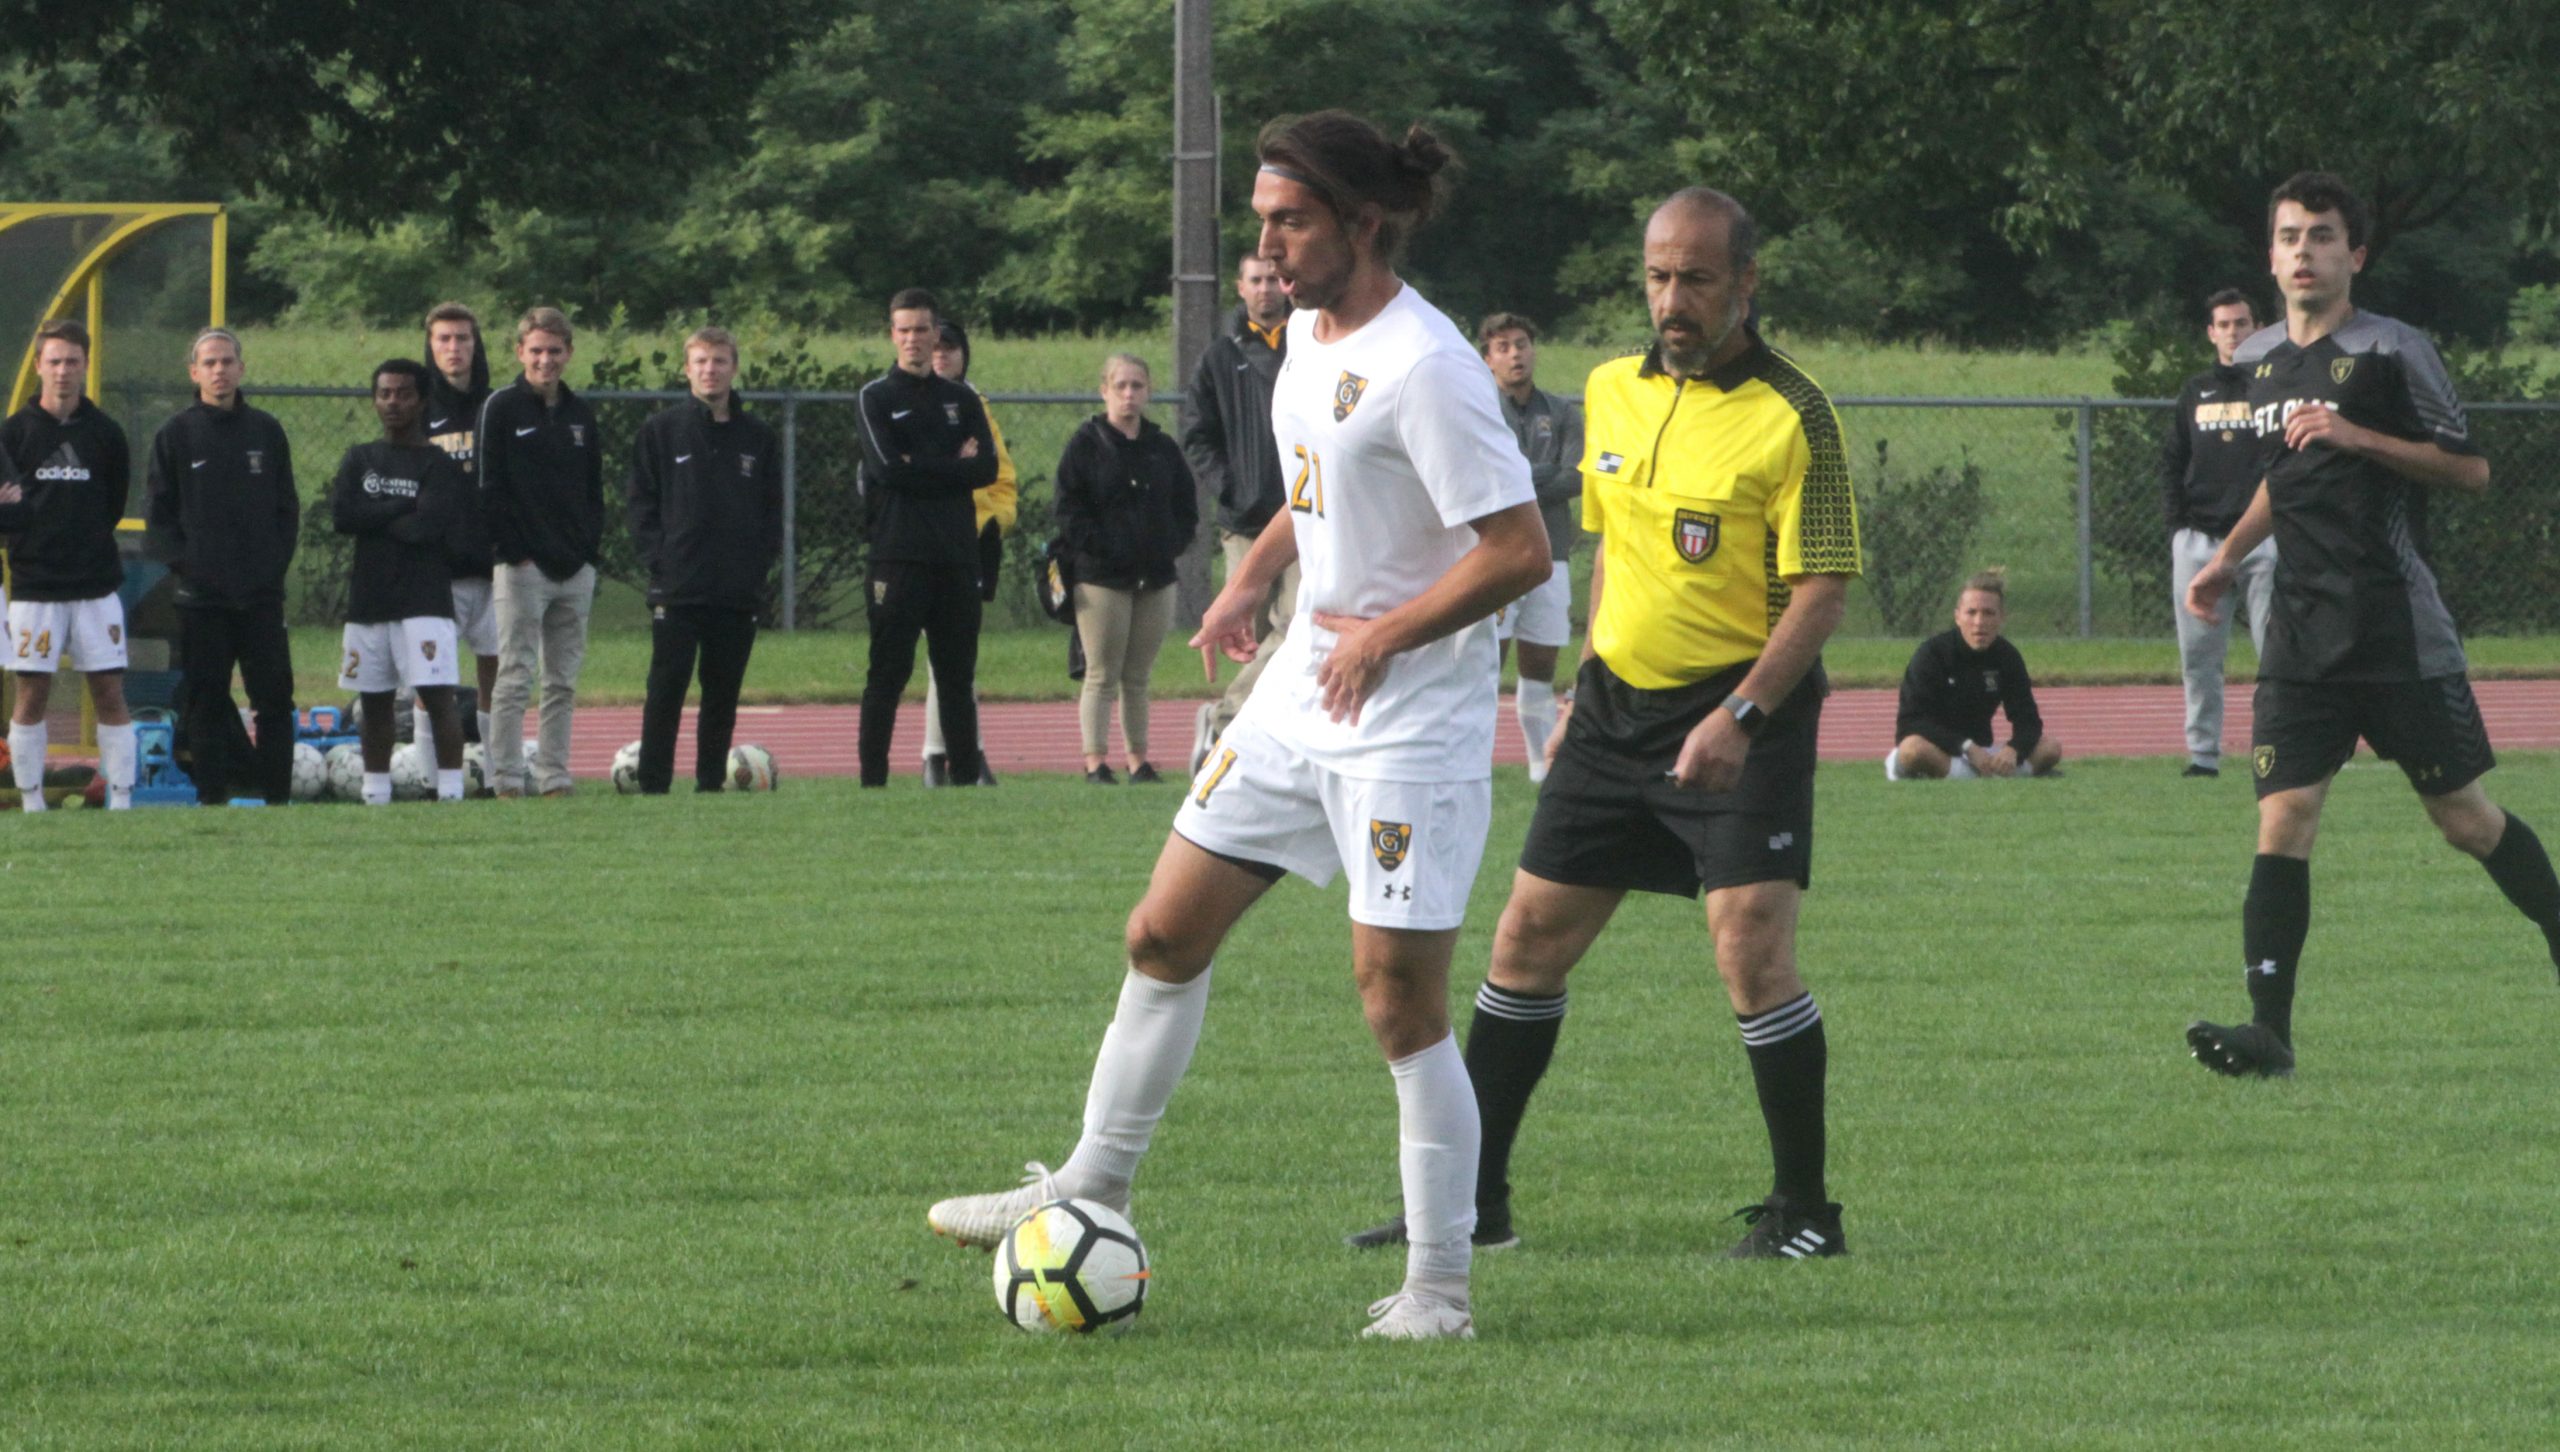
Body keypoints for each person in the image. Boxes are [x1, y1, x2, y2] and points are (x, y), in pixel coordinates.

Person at [928, 111, 1549, 1340]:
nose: (1264, 246)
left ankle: (1438, 1287)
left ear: (1362, 225)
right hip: (1298, 697)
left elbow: (1518, 551)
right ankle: (1085, 1187)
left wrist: (1380, 636)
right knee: (1161, 931)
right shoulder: (1305, 335)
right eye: (1259, 220)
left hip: (1403, 725)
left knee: (1396, 1001)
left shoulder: (1429, 366)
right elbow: (1318, 489)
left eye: (1289, 221)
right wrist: (1253, 573)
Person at [1349, 186, 1864, 1260]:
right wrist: (1587, 669)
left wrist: (1739, 714)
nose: (1672, 300)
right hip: (1614, 710)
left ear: (1746, 283)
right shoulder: (1609, 392)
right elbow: (1613, 555)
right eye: (1657, 277)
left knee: (1749, 951)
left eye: (1696, 279)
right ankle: (1474, 1207)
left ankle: (1805, 1214)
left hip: (1740, 712)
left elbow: (1818, 592)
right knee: (1525, 942)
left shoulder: (1795, 414)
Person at [2184, 172, 2560, 1079]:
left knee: (2466, 822)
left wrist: (2360, 437)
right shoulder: (2261, 359)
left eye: (2320, 236)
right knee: (2285, 819)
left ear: (2355, 254)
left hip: (2395, 631)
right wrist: (2228, 555)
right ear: (2270, 256)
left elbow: (2468, 471)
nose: (2302, 251)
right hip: (2301, 636)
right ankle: (2269, 1033)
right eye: (2287, 237)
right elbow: (2288, 475)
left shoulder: (2395, 350)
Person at [144, 327, 299, 806]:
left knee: (273, 700)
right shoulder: (176, 435)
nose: (219, 370)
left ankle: (277, 797)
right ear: (194, 372)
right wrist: (190, 569)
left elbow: (286, 510)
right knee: (206, 700)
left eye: (227, 361)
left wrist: (270, 567)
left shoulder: (266, 432)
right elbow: (160, 520)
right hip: (202, 599)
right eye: (209, 363)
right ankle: (212, 797)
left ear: (241, 369)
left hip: (259, 597)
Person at [627, 326, 783, 794]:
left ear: (734, 367)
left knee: (722, 696)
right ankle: (653, 784)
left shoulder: (758, 437)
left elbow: (772, 513)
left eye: (718, 361)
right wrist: (661, 560)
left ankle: (709, 782)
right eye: (700, 362)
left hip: (736, 591)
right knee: (665, 691)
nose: (709, 370)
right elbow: (640, 505)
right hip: (677, 588)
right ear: (686, 368)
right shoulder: (661, 431)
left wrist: (755, 568)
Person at [855, 287, 998, 788]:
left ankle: (962, 783)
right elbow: (889, 470)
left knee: (957, 678)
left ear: (936, 334)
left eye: (922, 329)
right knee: (887, 675)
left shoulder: (960, 399)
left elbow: (986, 468)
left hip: (957, 557)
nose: (914, 339)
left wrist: (924, 465)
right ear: (892, 335)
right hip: (898, 557)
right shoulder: (876, 397)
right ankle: (873, 781)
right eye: (904, 330)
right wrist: (949, 466)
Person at [2, 320, 138, 811]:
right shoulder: (12, 434)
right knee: (31, 694)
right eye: (54, 361)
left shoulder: (106, 434)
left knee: (108, 690)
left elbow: (113, 505)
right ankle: (33, 801)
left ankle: (121, 801)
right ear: (39, 365)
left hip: (96, 587)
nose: (63, 371)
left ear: (85, 367)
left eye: (72, 362)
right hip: (35, 587)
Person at [1054, 353, 1198, 784]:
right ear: (1104, 391)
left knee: (1138, 676)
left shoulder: (1162, 448)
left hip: (1154, 576)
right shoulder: (1085, 445)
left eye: (1137, 386)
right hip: (1101, 578)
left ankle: (1139, 759)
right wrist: (1103, 549)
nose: (1129, 394)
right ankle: (1096, 760)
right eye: (1120, 386)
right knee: (1101, 672)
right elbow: (1068, 510)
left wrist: (1168, 545)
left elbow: (1186, 509)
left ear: (1148, 392)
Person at [478, 306, 603, 798]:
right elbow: (489, 489)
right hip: (523, 567)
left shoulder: (580, 414)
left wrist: (589, 552)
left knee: (563, 681)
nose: (545, 360)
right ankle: (506, 777)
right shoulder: (501, 407)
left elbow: (594, 491)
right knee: (514, 674)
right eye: (536, 351)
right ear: (519, 352)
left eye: (554, 351)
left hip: (575, 569)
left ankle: (554, 775)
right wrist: (514, 552)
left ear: (569, 353)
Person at [331, 360, 466, 804]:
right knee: (373, 700)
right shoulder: (359, 457)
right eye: (385, 393)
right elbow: (343, 516)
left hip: (424, 601)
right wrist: (397, 508)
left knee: (438, 697)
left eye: (403, 394)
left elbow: (424, 527)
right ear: (375, 399)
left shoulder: (437, 462)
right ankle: (375, 793)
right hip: (370, 600)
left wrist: (376, 513)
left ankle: (450, 791)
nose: (393, 402)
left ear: (421, 400)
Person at [1180, 252, 1293, 772]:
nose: (1266, 289)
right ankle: (1239, 727)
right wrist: (1230, 486)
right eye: (1256, 280)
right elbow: (1196, 436)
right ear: (1240, 288)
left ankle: (1227, 723)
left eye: (1273, 279)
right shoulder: (1221, 357)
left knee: (1295, 626)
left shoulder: (1311, 345)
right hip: (1247, 521)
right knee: (1248, 635)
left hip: (1302, 518)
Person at [2163, 286, 2277, 777]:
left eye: (2242, 322)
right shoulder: (2195, 392)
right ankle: (2203, 755)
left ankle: (2278, 749)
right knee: (2199, 657)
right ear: (2211, 332)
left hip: (2263, 541)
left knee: (2276, 652)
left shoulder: (2276, 385)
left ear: (2258, 328)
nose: (2233, 332)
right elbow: (2172, 462)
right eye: (2224, 324)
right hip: (2200, 541)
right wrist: (2176, 531)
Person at [1478, 311, 1583, 782]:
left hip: (1552, 553)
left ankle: (1542, 767)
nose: (1515, 354)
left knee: (1540, 664)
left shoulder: (1561, 412)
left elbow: (1574, 476)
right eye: (1503, 347)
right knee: (1486, 662)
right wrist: (1535, 476)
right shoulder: (1477, 409)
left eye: (1522, 344)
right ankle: (1471, 761)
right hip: (1496, 555)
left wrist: (1519, 479)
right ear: (1488, 358)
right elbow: (1479, 479)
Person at [920, 319, 1017, 787]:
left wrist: (992, 521)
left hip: (971, 542)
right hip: (919, 541)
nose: (941, 355)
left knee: (959, 654)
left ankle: (955, 753)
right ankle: (942, 753)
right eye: (934, 347)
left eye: (950, 348)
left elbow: (998, 475)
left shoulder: (975, 405)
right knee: (934, 657)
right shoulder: (903, 400)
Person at [1886, 569, 2063, 780]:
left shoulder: (2007, 656)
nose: (1979, 622)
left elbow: (2028, 720)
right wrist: (1966, 746)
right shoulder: (1932, 654)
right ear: (1958, 616)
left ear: (2001, 618)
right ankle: (1999, 777)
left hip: (1983, 754)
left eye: (1988, 613)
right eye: (1972, 612)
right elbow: (1911, 723)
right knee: (1912, 750)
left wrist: (2013, 749)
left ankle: (1983, 775)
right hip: (1940, 752)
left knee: (2051, 747)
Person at [423, 301, 498, 751]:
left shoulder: (498, 405)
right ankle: (430, 775)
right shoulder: (417, 408)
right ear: (430, 346)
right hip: (437, 569)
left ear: (476, 344)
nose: (454, 348)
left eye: (462, 338)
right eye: (444, 339)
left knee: (494, 671)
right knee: (431, 677)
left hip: (492, 564)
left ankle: (493, 770)